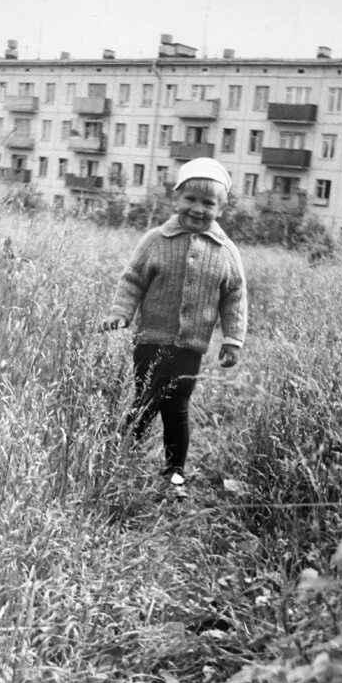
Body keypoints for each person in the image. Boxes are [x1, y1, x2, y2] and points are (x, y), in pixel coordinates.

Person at [101, 157, 247, 486]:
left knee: (177, 408)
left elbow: (235, 295)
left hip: (190, 349)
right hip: (150, 341)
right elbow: (132, 279)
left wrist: (232, 339)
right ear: (175, 199)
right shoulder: (156, 240)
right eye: (190, 199)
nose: (197, 208)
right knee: (144, 402)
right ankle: (119, 463)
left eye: (208, 202)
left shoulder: (225, 251)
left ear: (220, 209)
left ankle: (174, 474)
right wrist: (121, 313)